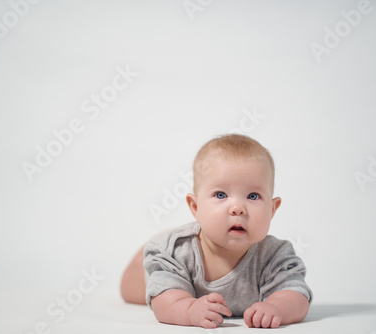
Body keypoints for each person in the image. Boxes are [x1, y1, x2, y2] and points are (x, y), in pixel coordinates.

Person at [120, 134, 312, 328]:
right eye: (221, 194)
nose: (238, 208)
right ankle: (148, 250)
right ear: (195, 207)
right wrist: (188, 309)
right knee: (131, 290)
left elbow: (296, 294)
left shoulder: (274, 256)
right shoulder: (176, 253)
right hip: (163, 271)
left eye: (253, 196)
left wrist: (277, 307)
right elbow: (163, 301)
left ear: (272, 209)